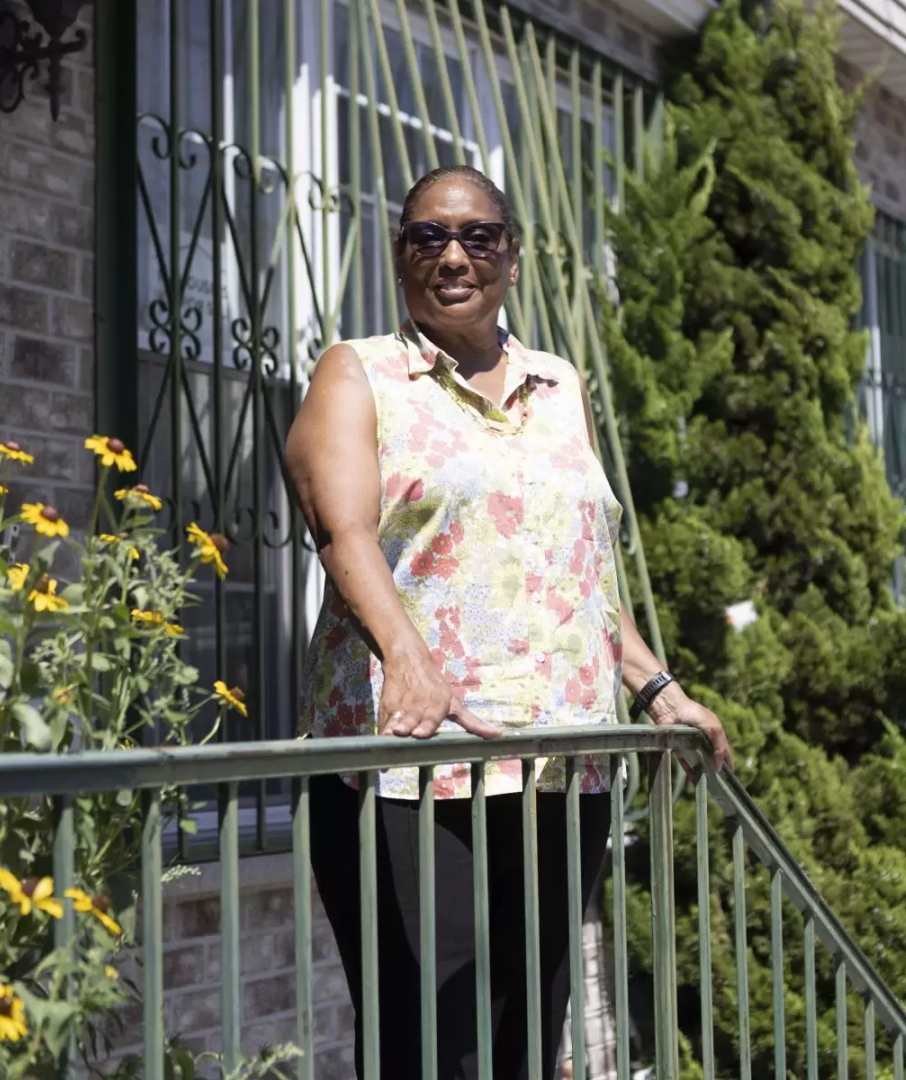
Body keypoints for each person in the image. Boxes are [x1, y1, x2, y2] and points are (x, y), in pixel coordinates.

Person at [286, 165, 731, 1080]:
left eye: (478, 237)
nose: (453, 255)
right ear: (400, 254)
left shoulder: (559, 386)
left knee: (530, 1032)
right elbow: (343, 529)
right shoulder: (359, 373)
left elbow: (583, 572)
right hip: (416, 765)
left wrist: (658, 688)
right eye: (428, 238)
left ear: (512, 257)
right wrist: (407, 657)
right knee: (436, 1048)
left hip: (562, 768)